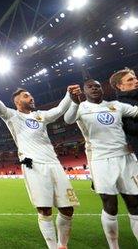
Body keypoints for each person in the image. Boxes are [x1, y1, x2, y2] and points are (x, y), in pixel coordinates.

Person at [0, 79, 81, 249]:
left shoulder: (40, 115)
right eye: (26, 96)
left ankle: (63, 245)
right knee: (44, 209)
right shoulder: (12, 116)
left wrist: (68, 95)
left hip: (53, 163)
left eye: (31, 95)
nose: (31, 98)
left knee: (68, 209)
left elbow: (59, 110)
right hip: (33, 164)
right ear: (17, 101)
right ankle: (53, 247)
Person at [64, 79, 138, 248]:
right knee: (110, 204)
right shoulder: (81, 108)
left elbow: (135, 112)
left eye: (97, 86)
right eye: (90, 87)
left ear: (102, 89)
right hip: (100, 160)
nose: (94, 88)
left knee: (134, 203)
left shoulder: (116, 105)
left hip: (126, 157)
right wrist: (75, 103)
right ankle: (114, 246)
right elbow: (68, 119)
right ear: (84, 91)